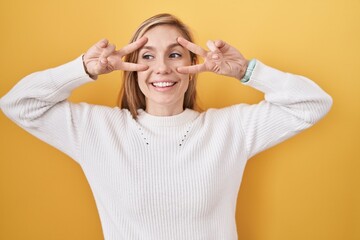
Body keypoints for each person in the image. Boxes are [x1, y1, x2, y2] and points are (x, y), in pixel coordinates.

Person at [0, 13, 332, 240]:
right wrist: (83, 69)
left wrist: (245, 70)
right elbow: (18, 104)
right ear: (130, 66)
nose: (161, 68)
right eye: (146, 56)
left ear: (193, 64)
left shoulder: (230, 129)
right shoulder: (96, 130)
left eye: (175, 55)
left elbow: (312, 103)